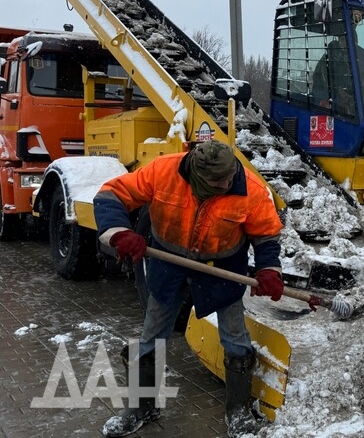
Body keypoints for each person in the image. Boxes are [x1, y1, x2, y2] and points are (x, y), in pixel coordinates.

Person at [95, 141, 284, 438]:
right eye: (217, 182)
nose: (226, 185)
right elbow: (111, 194)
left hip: (222, 267)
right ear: (197, 175)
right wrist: (120, 232)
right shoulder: (163, 171)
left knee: (235, 336)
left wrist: (269, 269)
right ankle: (143, 406)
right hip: (168, 262)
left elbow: (266, 235)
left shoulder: (250, 188)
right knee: (152, 335)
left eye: (229, 178)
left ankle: (238, 411)